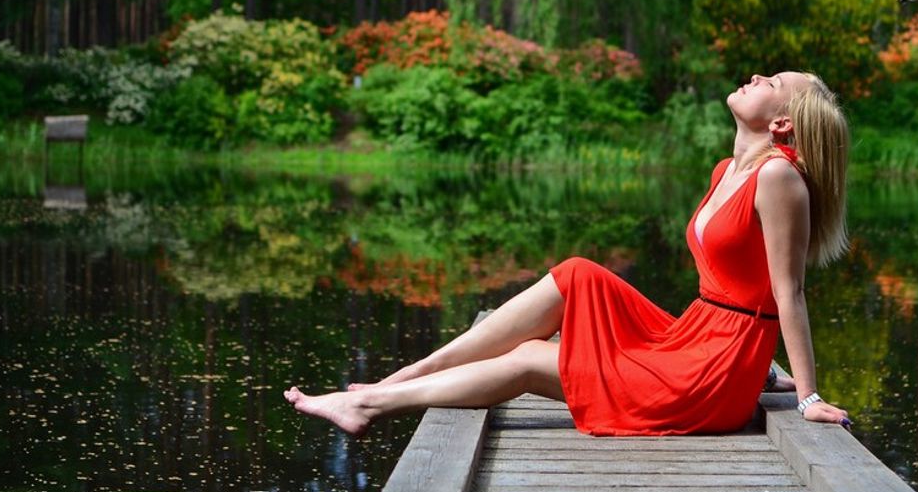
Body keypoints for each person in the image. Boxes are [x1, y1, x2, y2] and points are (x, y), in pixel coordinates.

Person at [284, 71, 852, 436]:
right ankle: (412, 372)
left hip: (709, 373)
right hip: (695, 337)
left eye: (773, 80)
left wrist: (807, 397)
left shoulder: (781, 180)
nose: (756, 75)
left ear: (782, 122)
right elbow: (738, 284)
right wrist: (763, 371)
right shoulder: (727, 171)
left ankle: (370, 407)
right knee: (578, 273)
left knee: (533, 360)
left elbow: (788, 293)